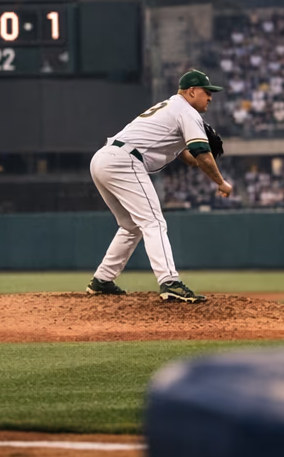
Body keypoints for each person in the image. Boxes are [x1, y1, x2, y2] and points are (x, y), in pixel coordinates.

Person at [87, 69, 232, 303]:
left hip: (103, 159)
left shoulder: (171, 107)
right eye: (206, 92)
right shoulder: (187, 111)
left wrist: (201, 159)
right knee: (153, 222)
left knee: (131, 225)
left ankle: (102, 280)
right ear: (191, 91)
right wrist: (221, 182)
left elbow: (188, 156)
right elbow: (201, 153)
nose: (210, 97)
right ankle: (170, 282)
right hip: (124, 161)